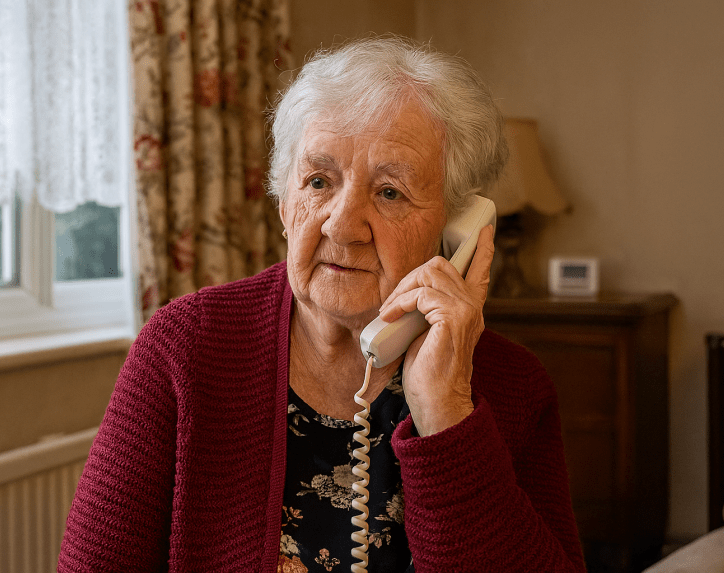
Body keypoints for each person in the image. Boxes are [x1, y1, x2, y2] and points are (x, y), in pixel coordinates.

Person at [57, 36, 586, 573]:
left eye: (389, 192)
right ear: (285, 203)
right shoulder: (183, 348)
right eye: (318, 181)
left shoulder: (514, 387)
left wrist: (447, 416)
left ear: (455, 227)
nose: (341, 224)